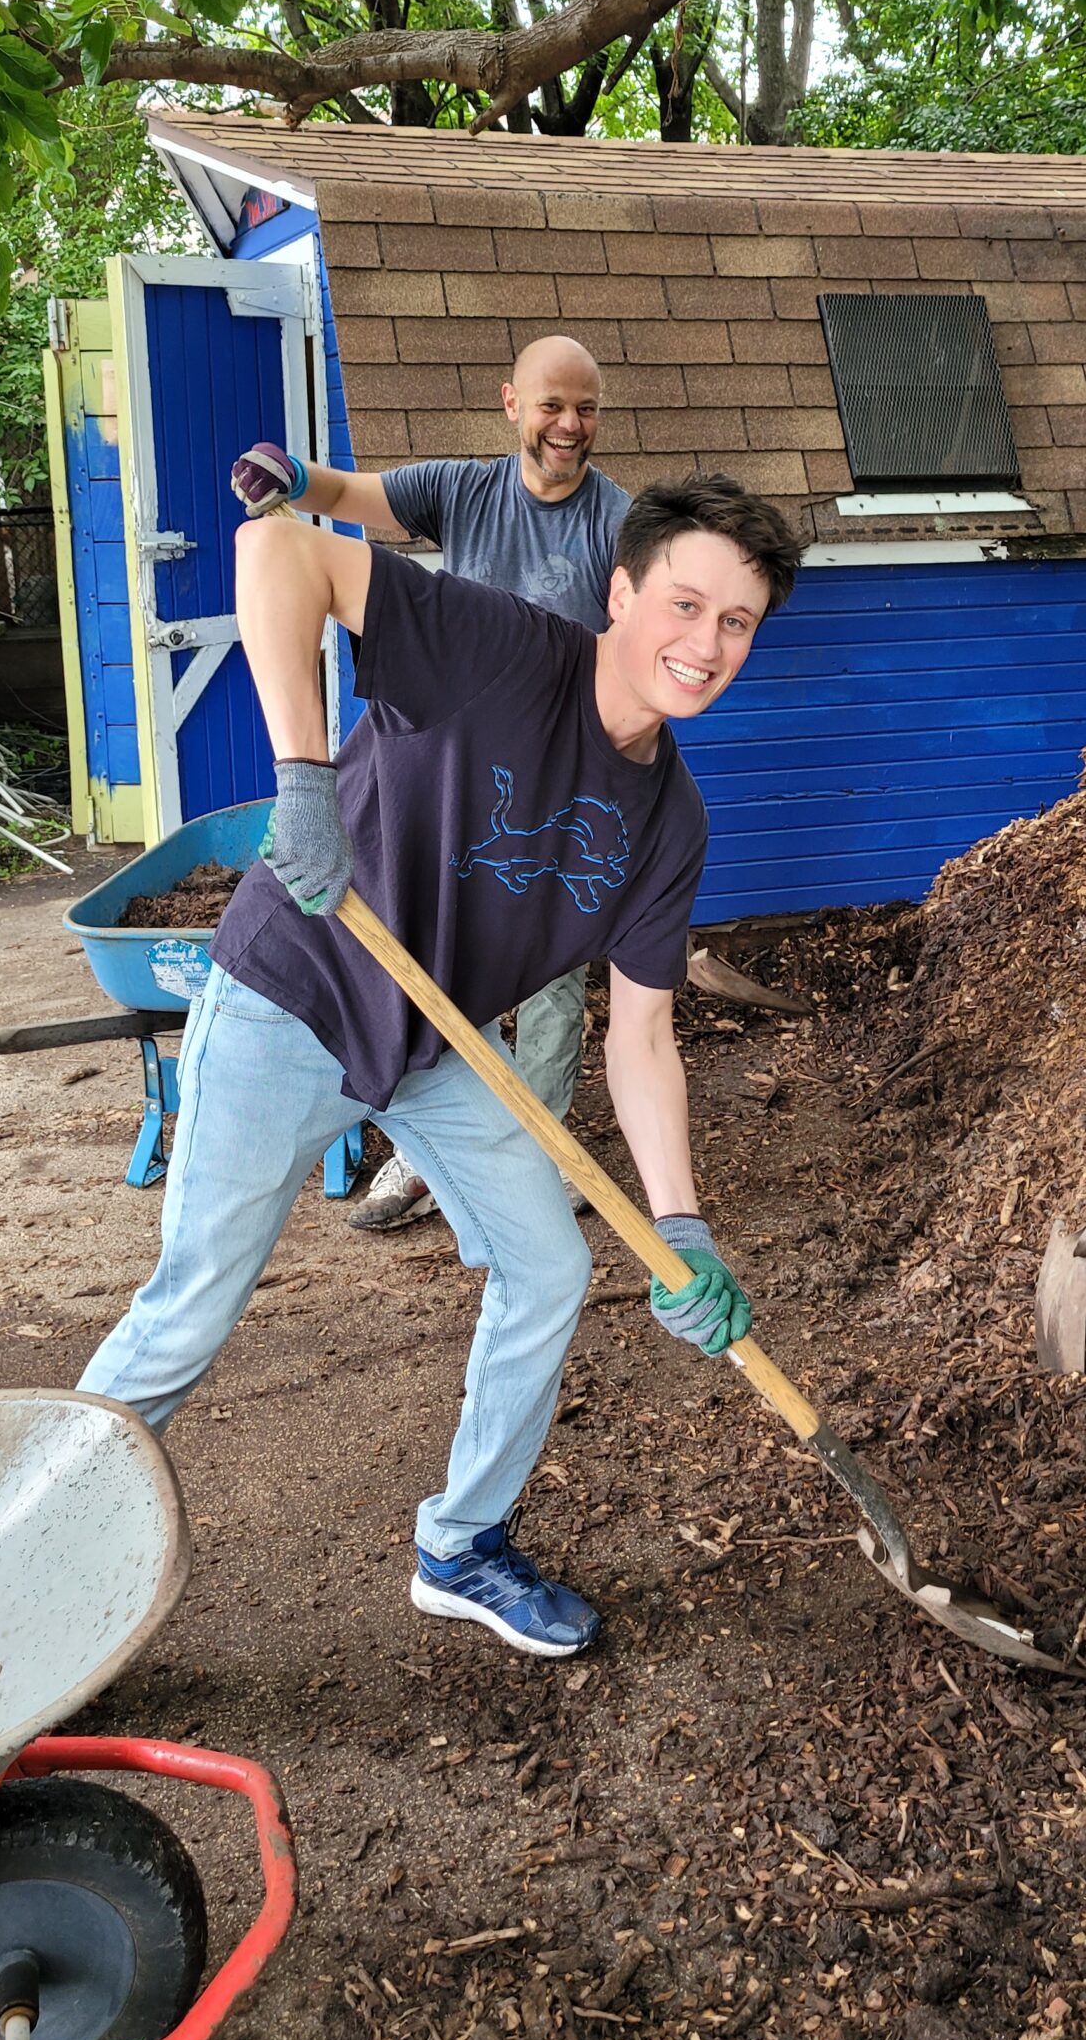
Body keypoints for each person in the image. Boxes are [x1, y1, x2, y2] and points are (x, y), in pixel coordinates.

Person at [77, 475, 805, 1659]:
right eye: (685, 603)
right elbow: (279, 550)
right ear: (621, 593)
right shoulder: (502, 648)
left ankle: (461, 1545)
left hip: (433, 1040)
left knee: (550, 1266)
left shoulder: (672, 823)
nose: (705, 643)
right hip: (295, 996)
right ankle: (43, 1544)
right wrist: (305, 777)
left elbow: (641, 1035)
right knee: (190, 1315)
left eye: (737, 623)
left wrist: (681, 1225)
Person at [247, 334, 626, 1231]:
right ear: (511, 404)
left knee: (551, 981)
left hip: (555, 786)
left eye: (587, 408)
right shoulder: (460, 490)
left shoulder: (619, 523)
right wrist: (289, 475)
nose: (570, 425)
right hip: (447, 778)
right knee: (432, 963)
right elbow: (348, 497)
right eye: (551, 405)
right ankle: (423, 1155)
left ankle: (537, 1158)